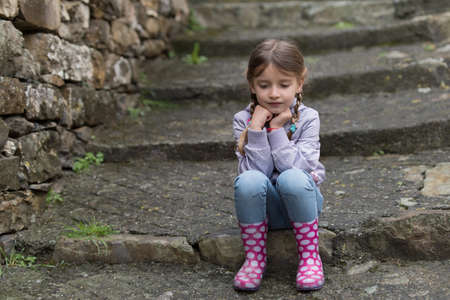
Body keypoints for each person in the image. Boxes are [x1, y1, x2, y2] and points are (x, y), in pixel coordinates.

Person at [232, 39, 325, 292]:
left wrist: (275, 130)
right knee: (248, 180)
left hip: (303, 202)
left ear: (299, 83)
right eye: (264, 85)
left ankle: (309, 257)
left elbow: (298, 170)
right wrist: (256, 129)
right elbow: (255, 174)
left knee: (291, 178)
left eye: (284, 85)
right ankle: (254, 260)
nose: (274, 93)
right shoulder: (243, 120)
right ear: (252, 84)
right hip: (263, 210)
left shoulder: (308, 118)